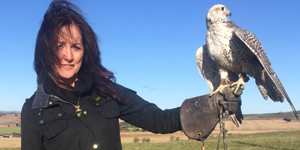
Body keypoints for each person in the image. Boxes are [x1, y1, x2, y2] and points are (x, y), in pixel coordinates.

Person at [21, 1, 242, 150]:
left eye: (76, 47)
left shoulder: (106, 91)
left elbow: (158, 120)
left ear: (85, 52)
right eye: (60, 46)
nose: (68, 56)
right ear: (46, 50)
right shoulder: (35, 110)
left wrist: (211, 105)